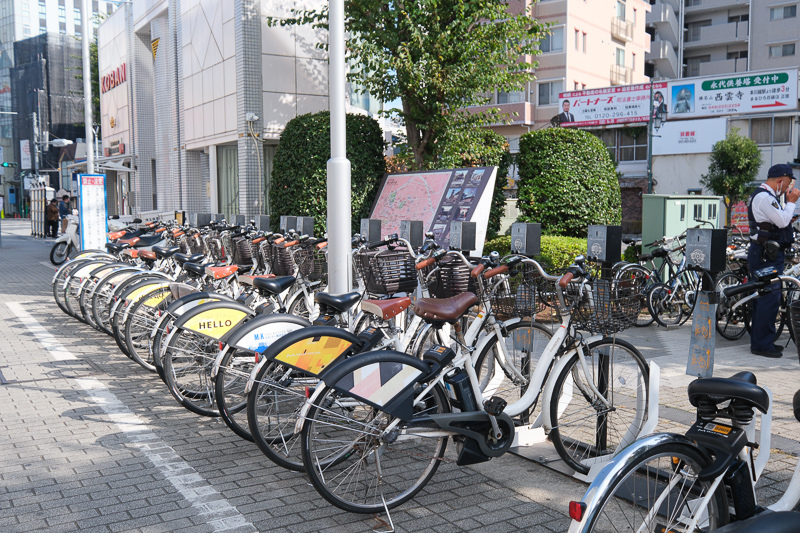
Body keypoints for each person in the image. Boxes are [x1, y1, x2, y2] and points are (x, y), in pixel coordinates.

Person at [747, 163, 800, 357]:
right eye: (787, 184)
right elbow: (782, 221)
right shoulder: (764, 197)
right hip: (765, 255)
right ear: (779, 181)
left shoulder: (764, 196)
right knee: (769, 298)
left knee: (766, 298)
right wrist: (792, 202)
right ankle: (762, 345)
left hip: (765, 253)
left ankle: (763, 340)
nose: (788, 188)